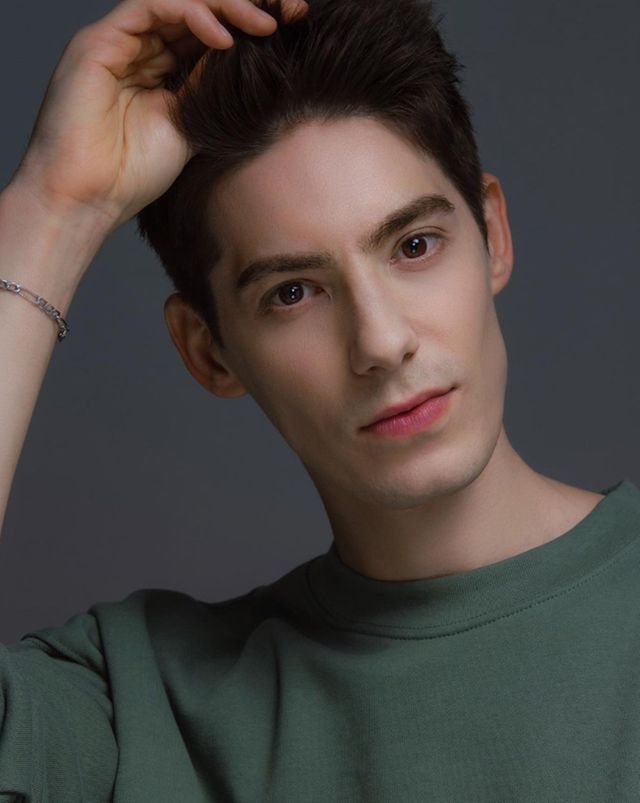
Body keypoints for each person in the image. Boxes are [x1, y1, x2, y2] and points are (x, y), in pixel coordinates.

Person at [0, 0, 638, 799]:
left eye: (414, 245)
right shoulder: (146, 708)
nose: (381, 341)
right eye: (294, 291)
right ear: (208, 350)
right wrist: (53, 208)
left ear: (492, 235)